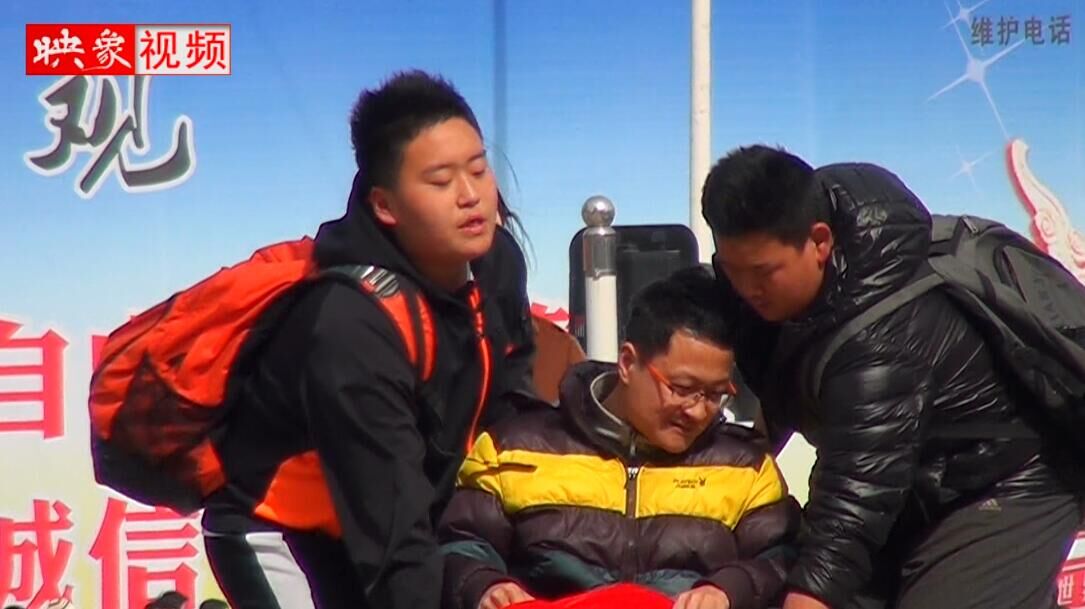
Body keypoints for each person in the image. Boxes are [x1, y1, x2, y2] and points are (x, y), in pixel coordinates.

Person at [199, 71, 536, 609]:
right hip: (282, 532)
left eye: (478, 169)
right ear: (384, 205)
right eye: (440, 181)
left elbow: (511, 416)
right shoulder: (351, 323)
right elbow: (393, 531)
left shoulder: (497, 265)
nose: (471, 196)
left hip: (390, 520)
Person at [701, 144, 1083, 609]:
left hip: (1006, 478)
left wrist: (811, 594)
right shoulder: (771, 286)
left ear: (820, 242)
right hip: (911, 483)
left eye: (762, 272)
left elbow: (860, 486)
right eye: (732, 270)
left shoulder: (885, 330)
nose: (747, 289)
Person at [439, 267, 800, 609]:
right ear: (627, 363)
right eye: (682, 388)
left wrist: (729, 587)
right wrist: (483, 584)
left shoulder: (746, 468)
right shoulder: (511, 450)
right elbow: (460, 542)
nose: (696, 410)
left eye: (715, 394)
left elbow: (781, 556)